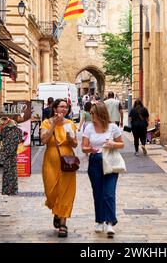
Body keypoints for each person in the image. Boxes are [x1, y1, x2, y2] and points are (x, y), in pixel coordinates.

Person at [82, 101, 124, 237]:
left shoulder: (112, 127)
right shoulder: (89, 127)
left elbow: (121, 144)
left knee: (109, 193)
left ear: (100, 114)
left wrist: (113, 144)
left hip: (110, 162)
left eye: (93, 113)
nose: (91, 115)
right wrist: (90, 149)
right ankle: (100, 220)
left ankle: (110, 223)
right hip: (95, 162)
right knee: (98, 193)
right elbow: (84, 147)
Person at [40, 98, 78, 238]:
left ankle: (63, 222)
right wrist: (53, 125)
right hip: (50, 161)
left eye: (66, 107)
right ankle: (56, 211)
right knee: (51, 192)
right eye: (61, 106)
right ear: (55, 108)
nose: (64, 109)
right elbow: (43, 140)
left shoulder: (70, 124)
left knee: (66, 192)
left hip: (67, 162)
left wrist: (71, 139)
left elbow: (75, 145)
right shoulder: (46, 122)